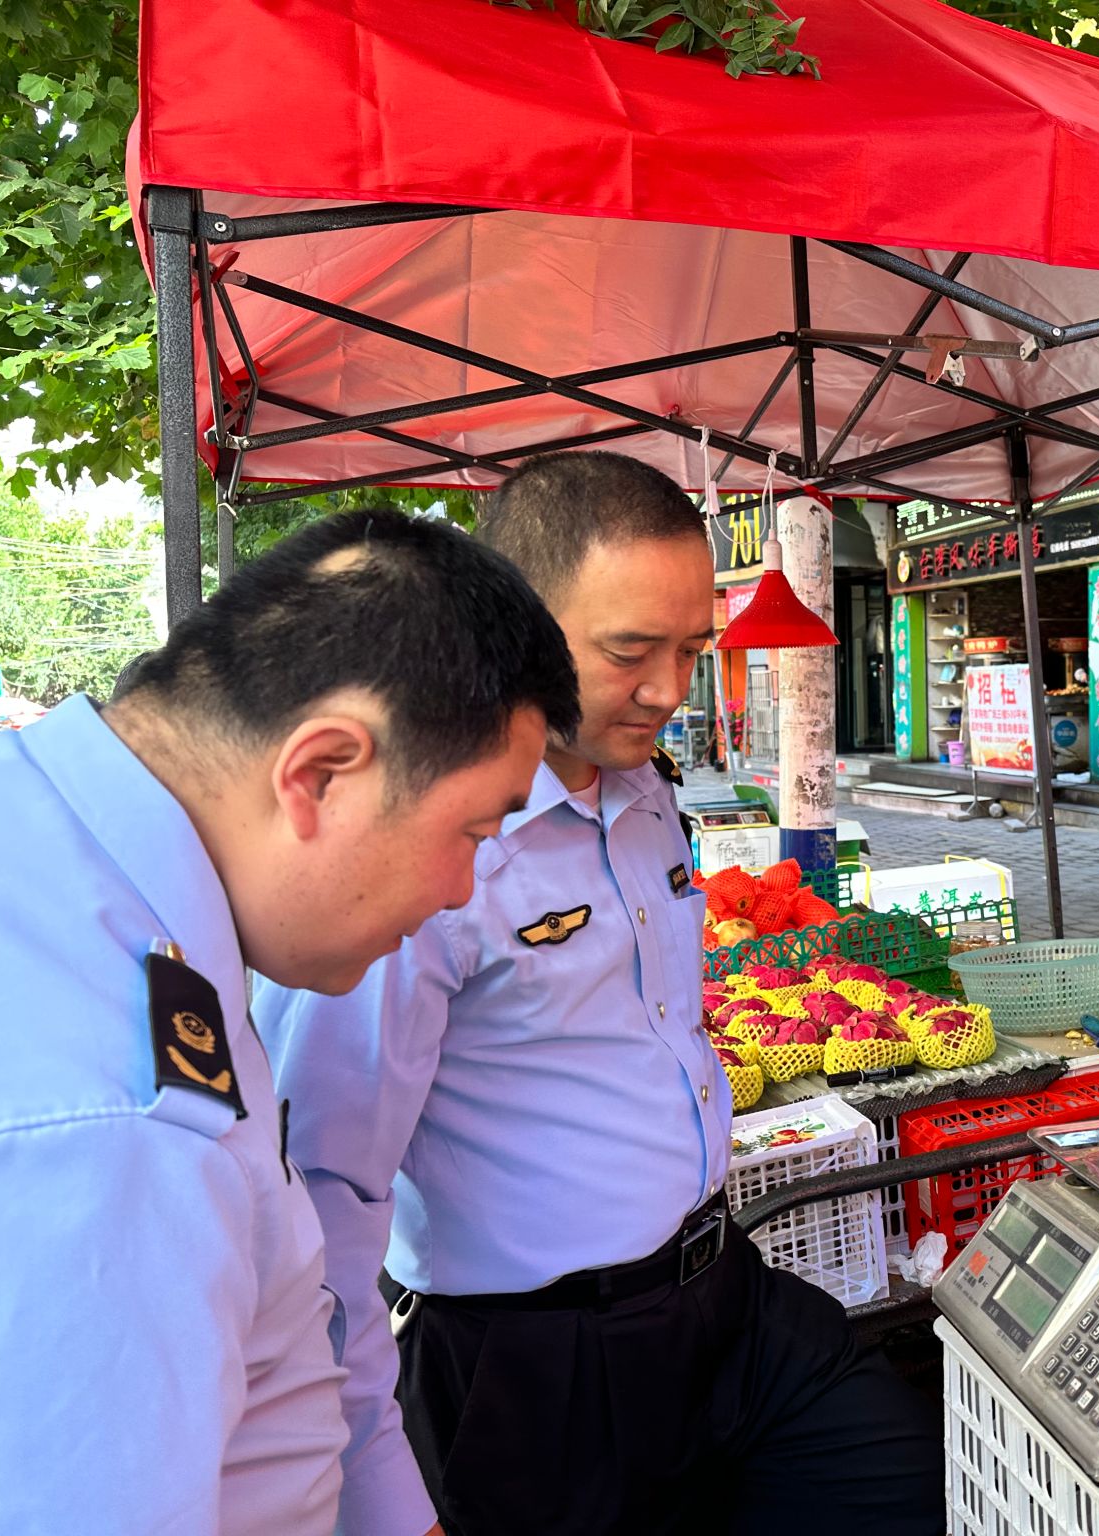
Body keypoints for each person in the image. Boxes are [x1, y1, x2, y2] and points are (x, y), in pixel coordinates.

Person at [257, 452, 944, 1536]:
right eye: (630, 651)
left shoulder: (647, 794)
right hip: (543, 1364)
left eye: (693, 650)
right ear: (517, 623)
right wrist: (376, 1494)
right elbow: (316, 1200)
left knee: (909, 1486)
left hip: (724, 1296)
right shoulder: (418, 850)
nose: (670, 690)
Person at [0, 510, 579, 1535]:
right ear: (319, 774)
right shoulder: (120, 1115)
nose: (462, 889)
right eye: (472, 831)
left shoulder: (79, 869)